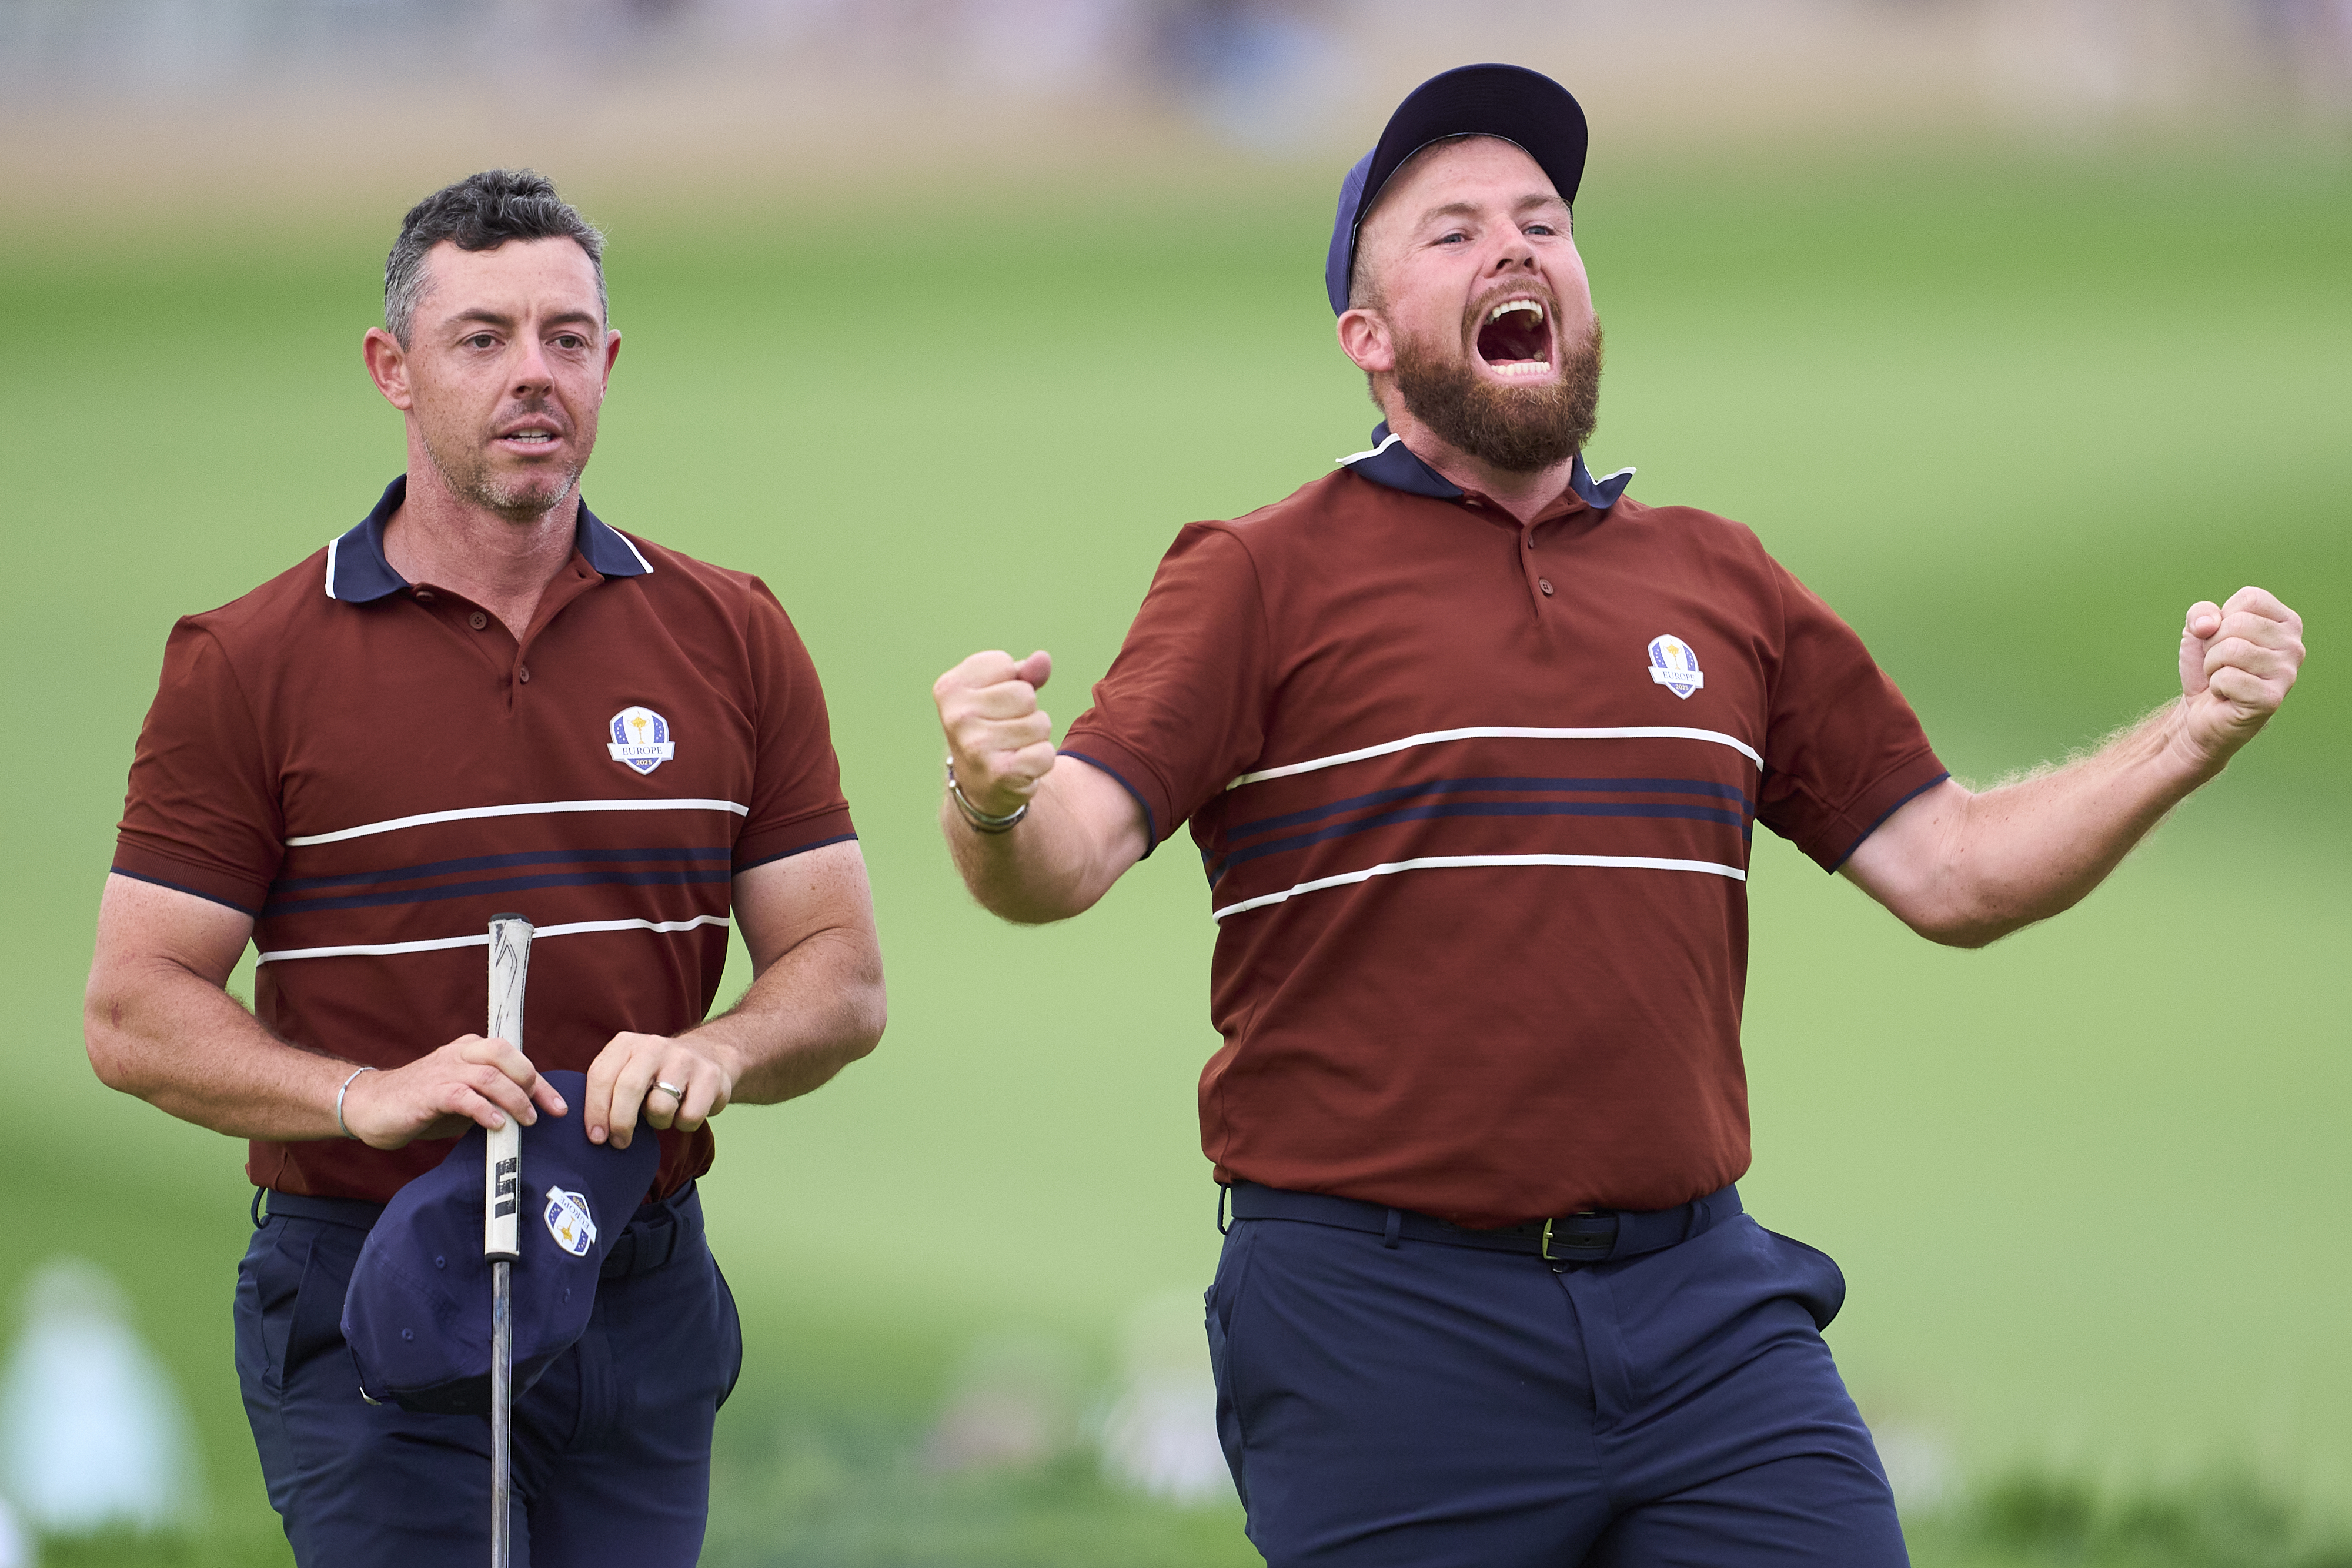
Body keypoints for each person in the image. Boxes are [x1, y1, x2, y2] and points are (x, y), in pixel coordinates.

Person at [930, 65, 2304, 1566]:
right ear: (1368, 342)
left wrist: (2183, 739)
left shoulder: (1719, 582)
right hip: (1380, 1320)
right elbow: (1060, 857)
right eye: (1450, 233)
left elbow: (1954, 866)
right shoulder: (1261, 575)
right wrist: (991, 800)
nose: (1515, 247)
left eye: (1541, 221)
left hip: (1701, 1308)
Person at [84, 169, 886, 1567]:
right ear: (394, 369)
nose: (534, 375)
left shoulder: (730, 632)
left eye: (566, 339)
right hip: (366, 1271)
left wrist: (723, 1050)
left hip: (634, 1268)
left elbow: (840, 974)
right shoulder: (250, 660)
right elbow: (133, 1005)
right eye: (484, 338)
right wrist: (361, 1093)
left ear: (609, 364)